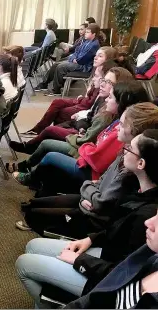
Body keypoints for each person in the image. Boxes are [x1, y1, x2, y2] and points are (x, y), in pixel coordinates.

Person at [16, 129, 158, 308]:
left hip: (105, 278)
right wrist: (90, 239)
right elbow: (114, 228)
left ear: (141, 163)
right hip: (105, 253)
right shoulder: (133, 186)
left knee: (24, 263)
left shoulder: (146, 214)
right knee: (32, 246)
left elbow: (121, 272)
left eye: (130, 149)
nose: (124, 149)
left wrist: (79, 260)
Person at [18, 103, 158, 234]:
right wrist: (89, 193)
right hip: (91, 197)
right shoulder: (125, 152)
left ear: (135, 131)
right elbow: (100, 181)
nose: (117, 128)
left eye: (121, 124)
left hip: (93, 214)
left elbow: (101, 204)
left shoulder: (130, 169)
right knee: (34, 205)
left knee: (33, 215)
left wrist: (88, 194)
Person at [11, 81, 150, 195]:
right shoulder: (115, 121)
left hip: (91, 169)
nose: (106, 99)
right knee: (50, 141)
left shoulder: (118, 130)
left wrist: (84, 146)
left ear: (122, 103)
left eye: (111, 97)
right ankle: (30, 172)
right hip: (87, 155)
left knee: (51, 155)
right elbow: (96, 141)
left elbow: (96, 157)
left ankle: (31, 177)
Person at [65, 211, 158, 308]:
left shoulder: (148, 248)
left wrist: (81, 260)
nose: (148, 222)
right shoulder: (149, 254)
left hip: (96, 274)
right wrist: (92, 238)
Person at [19, 48, 118, 139]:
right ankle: (40, 131)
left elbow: (91, 103)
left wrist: (80, 99)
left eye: (100, 56)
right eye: (96, 55)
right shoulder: (96, 69)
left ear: (108, 60)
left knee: (63, 112)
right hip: (84, 101)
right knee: (57, 102)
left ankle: (51, 134)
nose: (95, 57)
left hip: (86, 106)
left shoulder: (105, 76)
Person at [36, 23, 101, 95]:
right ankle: (45, 84)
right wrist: (73, 58)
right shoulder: (87, 41)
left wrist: (74, 59)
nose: (85, 33)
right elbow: (76, 51)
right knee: (56, 64)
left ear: (94, 34)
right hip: (77, 62)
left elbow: (81, 60)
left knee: (61, 67)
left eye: (88, 32)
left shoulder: (93, 45)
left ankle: (56, 90)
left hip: (84, 67)